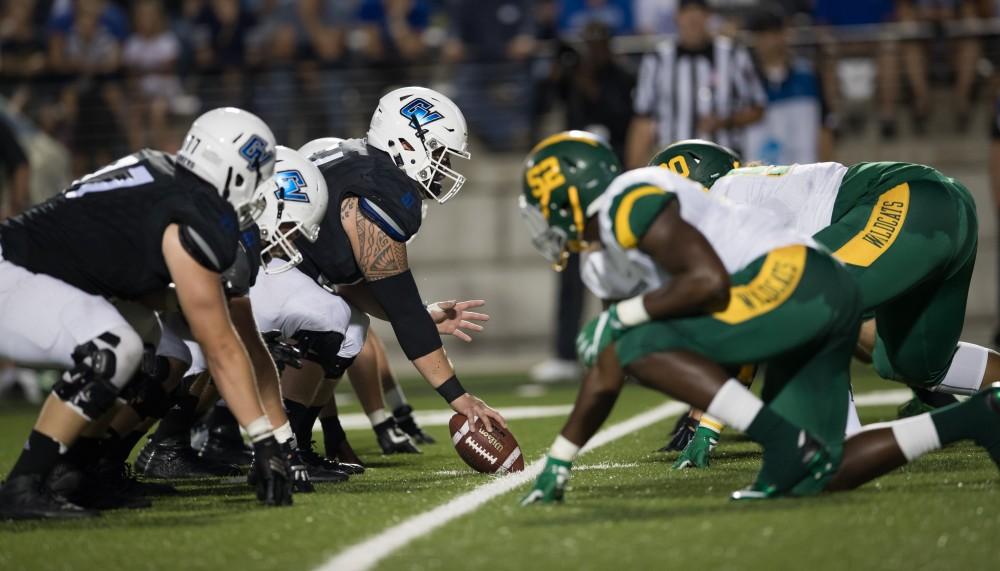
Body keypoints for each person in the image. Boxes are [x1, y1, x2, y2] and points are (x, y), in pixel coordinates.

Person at [516, 130, 1000, 504]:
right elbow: (749, 304)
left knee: (647, 339)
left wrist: (627, 321)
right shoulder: (624, 251)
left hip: (903, 201)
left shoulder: (661, 199)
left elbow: (726, 289)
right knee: (909, 367)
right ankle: (979, 416)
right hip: (919, 219)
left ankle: (792, 440)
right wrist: (560, 458)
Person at [0, 107, 295, 520]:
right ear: (236, 170)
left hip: (35, 272)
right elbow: (221, 344)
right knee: (112, 347)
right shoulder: (195, 211)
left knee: (151, 346)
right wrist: (264, 438)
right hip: (12, 273)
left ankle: (76, 473)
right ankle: (23, 484)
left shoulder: (162, 173)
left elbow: (128, 273)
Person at [652, 140, 996, 468]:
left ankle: (843, 446)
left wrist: (708, 426)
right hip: (941, 208)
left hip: (908, 202)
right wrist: (710, 425)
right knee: (912, 364)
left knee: (802, 302)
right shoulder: (748, 192)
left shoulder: (721, 212)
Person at [251, 88, 507, 472]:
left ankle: (294, 446)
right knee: (334, 320)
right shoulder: (380, 189)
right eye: (439, 153)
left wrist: (423, 313)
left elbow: (354, 285)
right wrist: (460, 397)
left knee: (349, 323)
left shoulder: (359, 161)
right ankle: (279, 448)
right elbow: (402, 309)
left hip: (266, 272)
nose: (444, 164)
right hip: (256, 273)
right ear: (407, 142)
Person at [624, 0, 766, 169]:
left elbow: (758, 108)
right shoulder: (657, 59)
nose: (692, 19)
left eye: (698, 12)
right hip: (673, 164)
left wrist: (724, 122)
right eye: (687, 13)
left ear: (708, 16)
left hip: (724, 161)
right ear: (677, 17)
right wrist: (632, 171)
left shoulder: (733, 54)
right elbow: (643, 118)